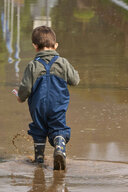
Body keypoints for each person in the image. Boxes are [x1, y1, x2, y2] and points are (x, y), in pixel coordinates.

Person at [16, 26, 79, 170]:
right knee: (58, 127)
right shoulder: (63, 63)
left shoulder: (32, 66)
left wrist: (20, 97)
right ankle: (60, 147)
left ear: (35, 46)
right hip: (58, 105)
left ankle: (39, 159)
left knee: (38, 129)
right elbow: (75, 80)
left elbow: (25, 88)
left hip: (37, 106)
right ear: (55, 45)